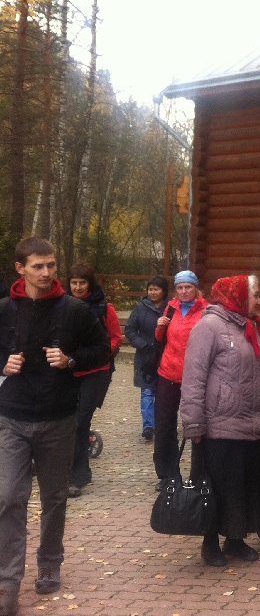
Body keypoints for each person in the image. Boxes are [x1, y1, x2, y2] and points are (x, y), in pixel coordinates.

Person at [0, 237, 111, 612]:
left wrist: (70, 360)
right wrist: (2, 365)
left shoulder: (74, 310)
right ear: (20, 269)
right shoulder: (4, 310)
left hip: (58, 419)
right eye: (38, 266)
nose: (46, 272)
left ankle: (49, 564)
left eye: (51, 265)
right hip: (11, 418)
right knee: (8, 497)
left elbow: (103, 349)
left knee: (54, 498)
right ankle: (7, 582)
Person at [180, 275, 260, 568]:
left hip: (252, 425)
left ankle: (235, 539)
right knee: (216, 488)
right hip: (219, 427)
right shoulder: (209, 326)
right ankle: (210, 543)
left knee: (243, 487)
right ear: (238, 296)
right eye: (255, 295)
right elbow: (193, 377)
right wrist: (193, 423)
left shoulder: (253, 327)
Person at [65, 263, 122, 498]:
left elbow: (115, 337)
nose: (78, 287)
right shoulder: (62, 306)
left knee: (80, 421)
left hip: (97, 371)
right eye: (74, 283)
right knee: (67, 421)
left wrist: (102, 355)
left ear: (90, 284)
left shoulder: (104, 308)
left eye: (82, 283)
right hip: (69, 370)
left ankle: (77, 476)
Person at [153, 271, 208, 489]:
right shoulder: (171, 308)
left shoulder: (206, 310)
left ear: (196, 288)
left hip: (195, 377)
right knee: (164, 425)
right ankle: (168, 474)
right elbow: (160, 338)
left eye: (188, 287)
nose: (184, 291)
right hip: (168, 373)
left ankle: (198, 474)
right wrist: (159, 326)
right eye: (180, 288)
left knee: (196, 425)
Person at [124, 276, 168, 443]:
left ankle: (162, 424)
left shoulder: (171, 308)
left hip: (165, 356)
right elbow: (130, 330)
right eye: (150, 289)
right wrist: (143, 345)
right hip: (145, 357)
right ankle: (148, 426)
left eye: (156, 289)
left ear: (163, 291)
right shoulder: (140, 308)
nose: (153, 292)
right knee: (147, 392)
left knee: (163, 393)